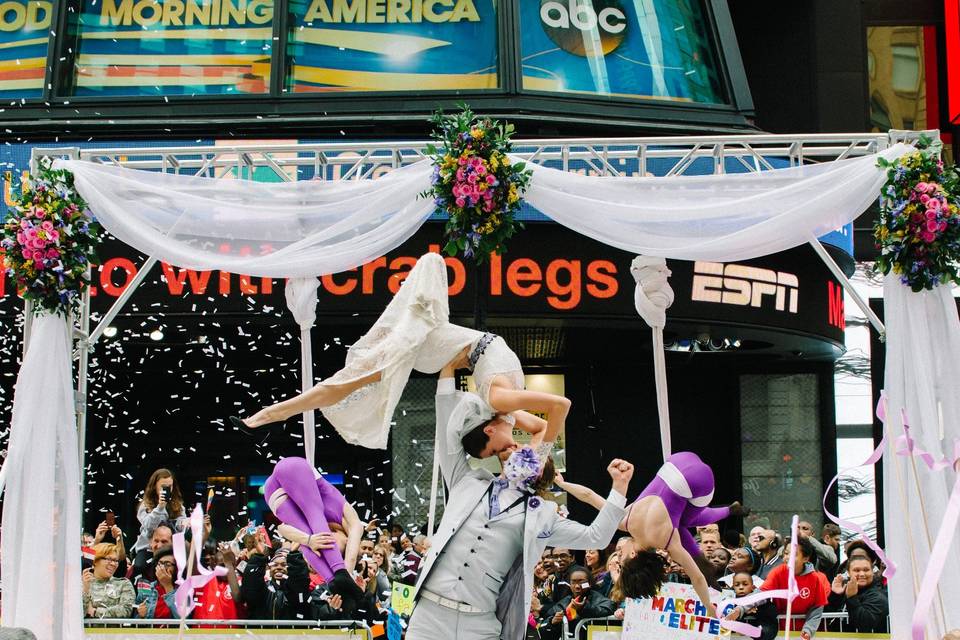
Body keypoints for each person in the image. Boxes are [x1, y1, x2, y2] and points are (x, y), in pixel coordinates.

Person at [231, 252, 572, 451]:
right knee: (339, 386)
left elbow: (543, 425)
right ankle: (264, 417)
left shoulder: (501, 411)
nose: (508, 448)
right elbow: (560, 406)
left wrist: (533, 464)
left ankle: (264, 417)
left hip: (434, 347)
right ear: (487, 430)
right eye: (502, 450)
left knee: (340, 386)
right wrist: (538, 458)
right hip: (426, 340)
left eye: (501, 450)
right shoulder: (500, 403)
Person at [405, 355, 632, 640]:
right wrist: (449, 368)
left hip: (481, 622)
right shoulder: (468, 481)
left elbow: (597, 537)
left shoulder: (543, 515)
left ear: (538, 471)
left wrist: (619, 488)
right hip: (429, 616)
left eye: (527, 453)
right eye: (511, 449)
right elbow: (445, 425)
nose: (516, 448)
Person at [555, 451, 747, 618]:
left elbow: (697, 578)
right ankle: (729, 510)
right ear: (633, 555)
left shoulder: (669, 541)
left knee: (684, 523)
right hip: (675, 462)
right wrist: (561, 483)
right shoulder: (625, 522)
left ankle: (728, 510)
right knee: (683, 521)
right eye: (621, 557)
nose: (618, 552)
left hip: (700, 481)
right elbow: (589, 496)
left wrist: (709, 609)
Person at [261, 456, 366, 607]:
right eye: (338, 544)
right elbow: (351, 557)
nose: (333, 542)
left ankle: (333, 579)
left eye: (335, 549)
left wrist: (308, 540)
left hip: (272, 492)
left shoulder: (315, 530)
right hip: (292, 468)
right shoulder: (351, 520)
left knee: (312, 540)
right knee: (315, 513)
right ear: (347, 538)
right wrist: (345, 573)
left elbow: (281, 528)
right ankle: (337, 574)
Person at [761, 536, 831, 639]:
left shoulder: (815, 579)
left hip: (808, 634)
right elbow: (761, 593)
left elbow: (817, 610)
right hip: (782, 631)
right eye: (786, 553)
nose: (788, 557)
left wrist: (808, 631)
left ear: (806, 558)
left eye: (794, 554)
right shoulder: (778, 572)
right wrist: (741, 608)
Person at [538, 565, 616, 640]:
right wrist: (552, 622)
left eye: (581, 582)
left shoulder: (598, 598)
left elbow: (609, 608)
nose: (577, 586)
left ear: (589, 583)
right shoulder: (564, 603)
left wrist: (584, 608)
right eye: (573, 582)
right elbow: (544, 629)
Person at [241, 538, 311, 620]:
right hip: (262, 632)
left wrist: (294, 556)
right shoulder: (263, 588)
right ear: (269, 569)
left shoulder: (295, 589)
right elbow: (251, 585)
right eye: (275, 565)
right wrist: (258, 557)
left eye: (284, 565)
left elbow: (299, 584)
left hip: (290, 632)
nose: (279, 568)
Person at [133, 469, 188, 574]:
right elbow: (148, 526)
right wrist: (160, 507)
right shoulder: (145, 505)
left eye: (169, 486)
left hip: (171, 548)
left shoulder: (178, 505)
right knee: (139, 567)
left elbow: (180, 526)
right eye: (163, 486)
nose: (167, 489)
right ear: (154, 486)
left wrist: (186, 523)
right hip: (148, 548)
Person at [827, 555, 888, 633]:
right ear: (848, 572)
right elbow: (824, 617)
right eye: (856, 570)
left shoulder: (879, 596)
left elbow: (865, 624)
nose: (862, 574)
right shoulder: (847, 589)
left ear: (872, 571)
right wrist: (835, 595)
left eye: (866, 570)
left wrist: (852, 598)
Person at [83, 543, 136, 618]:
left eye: (116, 560)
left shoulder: (124, 584)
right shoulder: (82, 583)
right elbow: (76, 613)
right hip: (86, 630)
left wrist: (95, 612)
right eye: (109, 559)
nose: (113, 564)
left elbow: (126, 610)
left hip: (114, 629)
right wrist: (85, 590)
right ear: (95, 561)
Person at [724, 571, 778, 640]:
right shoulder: (730, 600)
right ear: (733, 587)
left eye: (745, 584)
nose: (741, 587)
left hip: (765, 627)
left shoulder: (759, 595)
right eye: (737, 585)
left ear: (753, 587)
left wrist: (755, 609)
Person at [135, 546, 179, 619]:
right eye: (160, 564)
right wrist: (140, 616)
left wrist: (168, 586)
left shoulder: (183, 589)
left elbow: (183, 619)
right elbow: (134, 622)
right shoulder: (146, 588)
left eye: (167, 564)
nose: (162, 568)